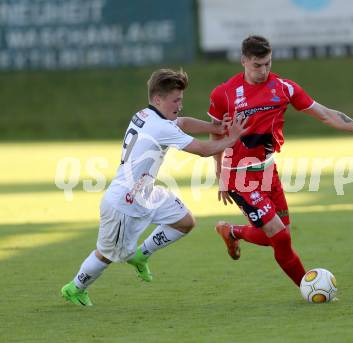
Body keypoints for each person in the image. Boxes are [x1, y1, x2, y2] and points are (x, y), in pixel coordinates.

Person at [209, 35, 353, 288]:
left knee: (273, 235)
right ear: (243, 61)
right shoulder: (225, 94)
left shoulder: (284, 88)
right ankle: (308, 286)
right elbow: (215, 133)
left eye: (267, 64)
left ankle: (231, 231)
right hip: (238, 175)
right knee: (281, 236)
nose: (263, 71)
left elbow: (325, 114)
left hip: (268, 170)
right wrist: (219, 172)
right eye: (257, 65)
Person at [61, 68, 247, 306]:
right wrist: (232, 138)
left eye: (181, 99)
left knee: (184, 222)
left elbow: (183, 122)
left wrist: (215, 128)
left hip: (146, 193)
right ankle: (75, 287)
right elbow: (201, 150)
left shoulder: (147, 115)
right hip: (123, 203)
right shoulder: (160, 126)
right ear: (158, 99)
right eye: (175, 100)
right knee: (108, 254)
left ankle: (141, 255)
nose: (179, 105)